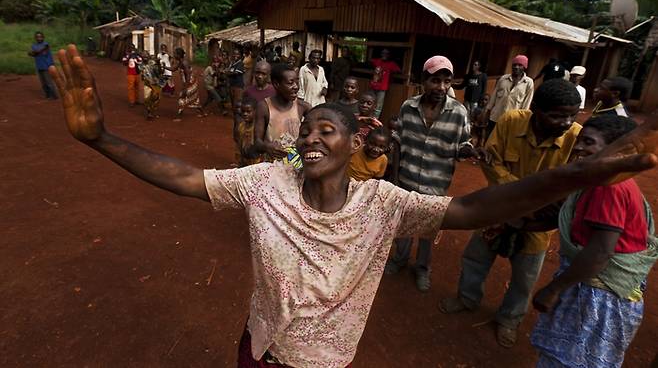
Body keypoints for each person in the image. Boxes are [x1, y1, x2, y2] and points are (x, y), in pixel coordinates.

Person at [49, 45, 658, 368]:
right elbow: (184, 177)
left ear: (354, 144)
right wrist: (102, 140)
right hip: (258, 347)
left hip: (322, 362)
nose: (311, 137)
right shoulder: (266, 181)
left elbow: (473, 210)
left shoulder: (383, 202)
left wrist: (574, 175)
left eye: (326, 131)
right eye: (306, 130)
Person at [440, 79, 584, 348]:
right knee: (475, 258)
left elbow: (566, 189)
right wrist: (525, 199)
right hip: (496, 211)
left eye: (572, 115)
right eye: (557, 115)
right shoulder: (509, 121)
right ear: (535, 109)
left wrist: (524, 206)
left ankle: (509, 320)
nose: (566, 122)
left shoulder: (576, 138)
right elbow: (492, 164)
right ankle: (467, 298)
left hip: (537, 224)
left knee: (525, 276)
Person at [530, 114, 658, 368]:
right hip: (598, 290)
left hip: (597, 297)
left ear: (617, 150)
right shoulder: (599, 182)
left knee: (569, 361)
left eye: (588, 142)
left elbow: (600, 251)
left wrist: (554, 288)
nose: (578, 148)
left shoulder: (607, 188)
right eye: (578, 140)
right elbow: (568, 217)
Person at [385, 56, 477, 291]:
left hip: (435, 187)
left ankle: (423, 268)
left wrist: (467, 150)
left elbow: (463, 145)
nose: (441, 87)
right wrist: (395, 180)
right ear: (423, 80)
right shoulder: (408, 106)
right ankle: (399, 259)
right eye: (435, 81)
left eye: (447, 82)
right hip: (406, 181)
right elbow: (398, 143)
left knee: (428, 231)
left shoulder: (459, 112)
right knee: (403, 225)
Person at [254, 64, 311, 160]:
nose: (296, 87)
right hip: (272, 167)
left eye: (297, 82)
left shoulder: (303, 107)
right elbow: (257, 142)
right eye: (290, 83)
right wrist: (267, 147)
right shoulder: (264, 107)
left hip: (296, 166)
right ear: (276, 84)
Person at [485, 54, 534, 137]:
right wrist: (486, 111)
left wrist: (521, 121)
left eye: (520, 65)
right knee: (489, 140)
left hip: (512, 121)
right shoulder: (503, 79)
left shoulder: (528, 83)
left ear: (524, 67)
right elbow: (493, 96)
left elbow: (526, 105)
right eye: (514, 65)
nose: (516, 67)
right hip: (495, 118)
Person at [172, 47, 203, 120]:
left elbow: (188, 75)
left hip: (190, 82)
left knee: (182, 97)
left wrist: (185, 88)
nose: (174, 55)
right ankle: (202, 112)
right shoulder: (181, 62)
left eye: (175, 54)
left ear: (179, 55)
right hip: (188, 82)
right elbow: (173, 69)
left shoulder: (184, 63)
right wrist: (164, 67)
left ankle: (179, 116)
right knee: (194, 98)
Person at [369, 48, 401, 118]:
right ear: (381, 54)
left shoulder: (391, 64)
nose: (384, 55)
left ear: (389, 55)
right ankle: (367, 119)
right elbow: (369, 61)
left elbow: (399, 70)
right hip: (373, 86)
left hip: (382, 88)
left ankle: (373, 122)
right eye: (383, 53)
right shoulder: (377, 61)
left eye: (386, 54)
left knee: (378, 107)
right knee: (369, 103)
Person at [28, 31, 58, 99]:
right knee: (43, 83)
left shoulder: (46, 44)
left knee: (49, 82)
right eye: (37, 37)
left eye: (40, 37)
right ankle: (47, 95)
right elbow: (31, 53)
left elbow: (36, 52)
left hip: (47, 65)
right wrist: (34, 53)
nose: (39, 38)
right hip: (39, 66)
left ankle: (54, 95)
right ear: (35, 38)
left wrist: (34, 52)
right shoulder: (34, 45)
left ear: (43, 37)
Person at [236, 98, 262, 166]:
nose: (245, 114)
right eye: (243, 111)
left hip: (257, 163)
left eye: (248, 111)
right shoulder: (241, 126)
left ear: (255, 112)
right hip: (245, 161)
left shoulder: (259, 128)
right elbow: (239, 145)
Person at [141, 55, 164, 120]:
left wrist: (158, 64)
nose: (144, 57)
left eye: (145, 55)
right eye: (143, 55)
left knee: (156, 98)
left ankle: (153, 111)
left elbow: (160, 72)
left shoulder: (154, 64)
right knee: (147, 97)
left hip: (156, 84)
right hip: (147, 84)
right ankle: (149, 113)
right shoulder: (141, 65)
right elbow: (142, 74)